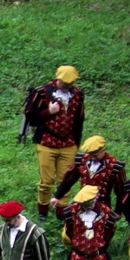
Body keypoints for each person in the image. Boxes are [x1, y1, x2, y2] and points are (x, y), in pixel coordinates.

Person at [23, 65, 85, 217]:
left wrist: (76, 143)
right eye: (65, 82)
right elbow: (30, 117)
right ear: (58, 78)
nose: (68, 85)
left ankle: (61, 212)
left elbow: (79, 119)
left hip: (68, 144)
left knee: (65, 180)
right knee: (46, 181)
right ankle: (43, 212)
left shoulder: (77, 94)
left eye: (71, 82)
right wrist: (48, 112)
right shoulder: (42, 93)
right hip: (46, 143)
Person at [52, 135, 125, 211]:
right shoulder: (82, 160)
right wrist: (57, 196)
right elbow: (69, 180)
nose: (92, 158)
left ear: (103, 150)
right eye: (90, 155)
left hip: (102, 206)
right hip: (82, 202)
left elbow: (121, 191)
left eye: (95, 155)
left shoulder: (115, 166)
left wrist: (118, 211)